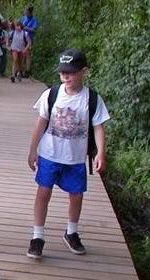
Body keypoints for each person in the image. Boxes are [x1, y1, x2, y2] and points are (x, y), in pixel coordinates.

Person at [26, 48, 110, 258]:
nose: (66, 76)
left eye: (71, 72)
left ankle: (71, 232)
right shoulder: (52, 95)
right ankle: (38, 236)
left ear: (84, 72)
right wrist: (32, 149)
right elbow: (41, 122)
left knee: (76, 194)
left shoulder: (92, 99)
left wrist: (100, 153)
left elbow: (98, 126)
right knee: (43, 192)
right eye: (63, 72)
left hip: (75, 158)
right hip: (49, 154)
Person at [20, 4, 40, 77]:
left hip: (29, 39)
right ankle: (20, 70)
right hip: (22, 38)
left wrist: (25, 28)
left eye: (27, 12)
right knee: (22, 54)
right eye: (26, 12)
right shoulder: (23, 18)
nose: (26, 13)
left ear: (30, 12)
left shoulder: (34, 19)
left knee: (28, 54)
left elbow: (34, 29)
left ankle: (27, 71)